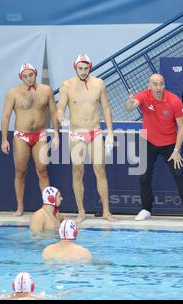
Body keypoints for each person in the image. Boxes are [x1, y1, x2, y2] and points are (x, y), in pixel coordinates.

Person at [124, 74, 183, 223]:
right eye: (155, 84)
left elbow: (182, 127)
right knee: (144, 177)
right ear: (149, 85)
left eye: (161, 84)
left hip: (170, 143)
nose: (158, 88)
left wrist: (176, 150)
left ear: (164, 85)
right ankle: (146, 209)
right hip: (149, 141)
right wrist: (129, 102)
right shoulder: (144, 96)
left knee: (179, 174)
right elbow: (130, 107)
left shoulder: (174, 101)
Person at [57, 54, 117, 223]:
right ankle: (81, 212)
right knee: (77, 172)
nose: (83, 72)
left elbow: (105, 108)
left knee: (100, 171)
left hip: (95, 131)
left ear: (90, 67)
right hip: (76, 133)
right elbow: (60, 108)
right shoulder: (66, 85)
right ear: (75, 67)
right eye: (80, 68)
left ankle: (106, 211)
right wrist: (61, 117)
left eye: (86, 68)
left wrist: (110, 132)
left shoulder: (99, 84)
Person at [1, 63, 60, 216]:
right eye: (25, 76)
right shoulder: (13, 93)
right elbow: (6, 116)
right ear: (21, 77)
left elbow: (53, 113)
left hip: (40, 134)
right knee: (20, 172)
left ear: (35, 74)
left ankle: (48, 208)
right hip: (21, 136)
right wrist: (4, 139)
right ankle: (20, 207)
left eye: (31, 75)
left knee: (43, 171)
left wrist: (56, 134)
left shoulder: (46, 90)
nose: (28, 78)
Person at [0, 272, 74, 300]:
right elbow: (57, 296)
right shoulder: (37, 296)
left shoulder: (6, 296)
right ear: (32, 287)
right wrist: (68, 291)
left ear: (13, 286)